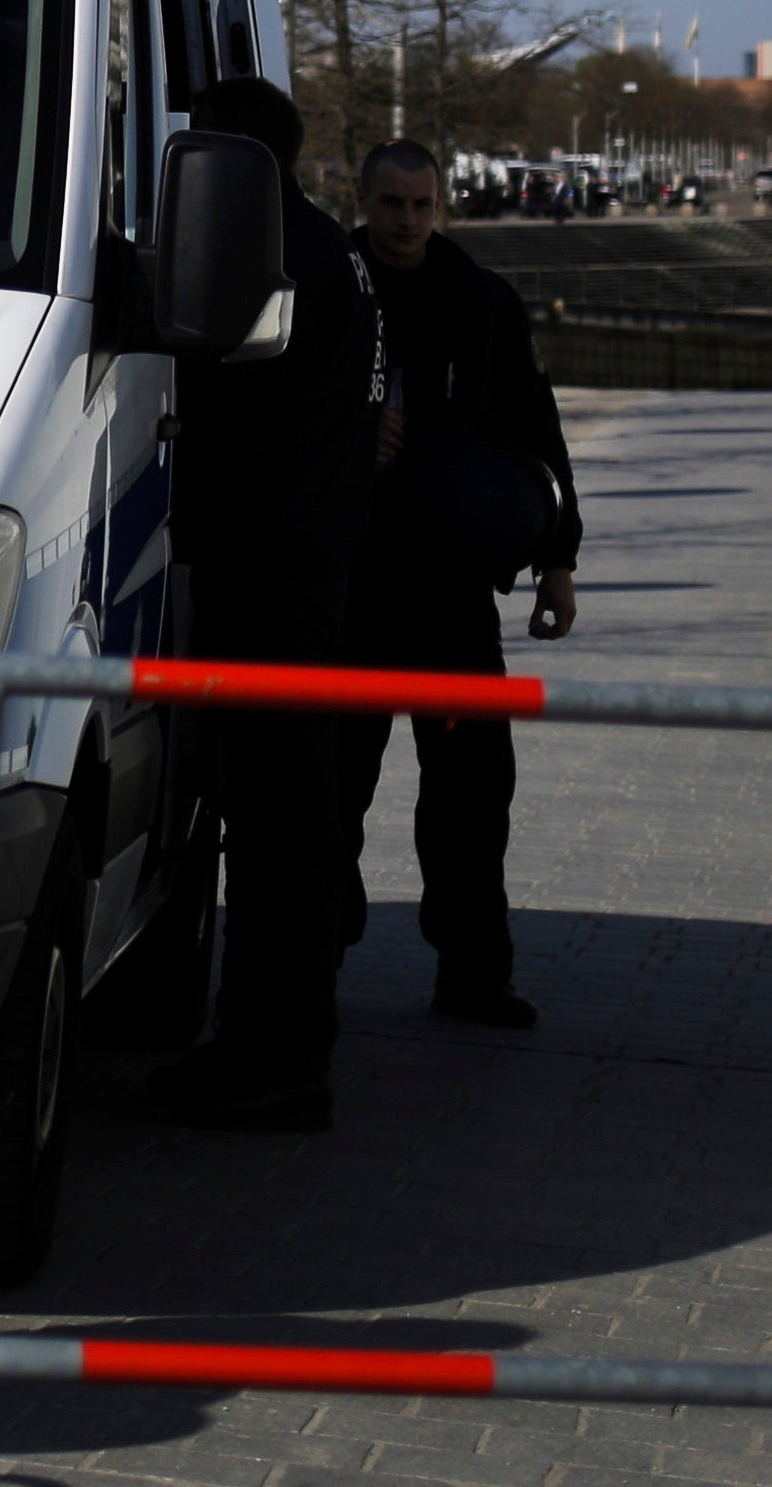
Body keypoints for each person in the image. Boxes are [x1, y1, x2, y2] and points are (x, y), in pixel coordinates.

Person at [154, 75, 386, 1133]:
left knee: (280, 829)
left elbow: (212, 392)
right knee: (289, 824)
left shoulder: (272, 252)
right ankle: (271, 1047)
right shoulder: (331, 246)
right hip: (311, 568)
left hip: (273, 578)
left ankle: (277, 1059)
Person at [327, 139, 579, 1029]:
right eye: (390, 203)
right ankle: (312, 960)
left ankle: (474, 976)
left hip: (451, 593)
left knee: (472, 793)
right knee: (331, 789)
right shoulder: (330, 292)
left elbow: (534, 431)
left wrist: (557, 560)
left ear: (440, 207)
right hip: (350, 587)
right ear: (362, 198)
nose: (405, 221)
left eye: (420, 205)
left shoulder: (481, 303)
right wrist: (351, 434)